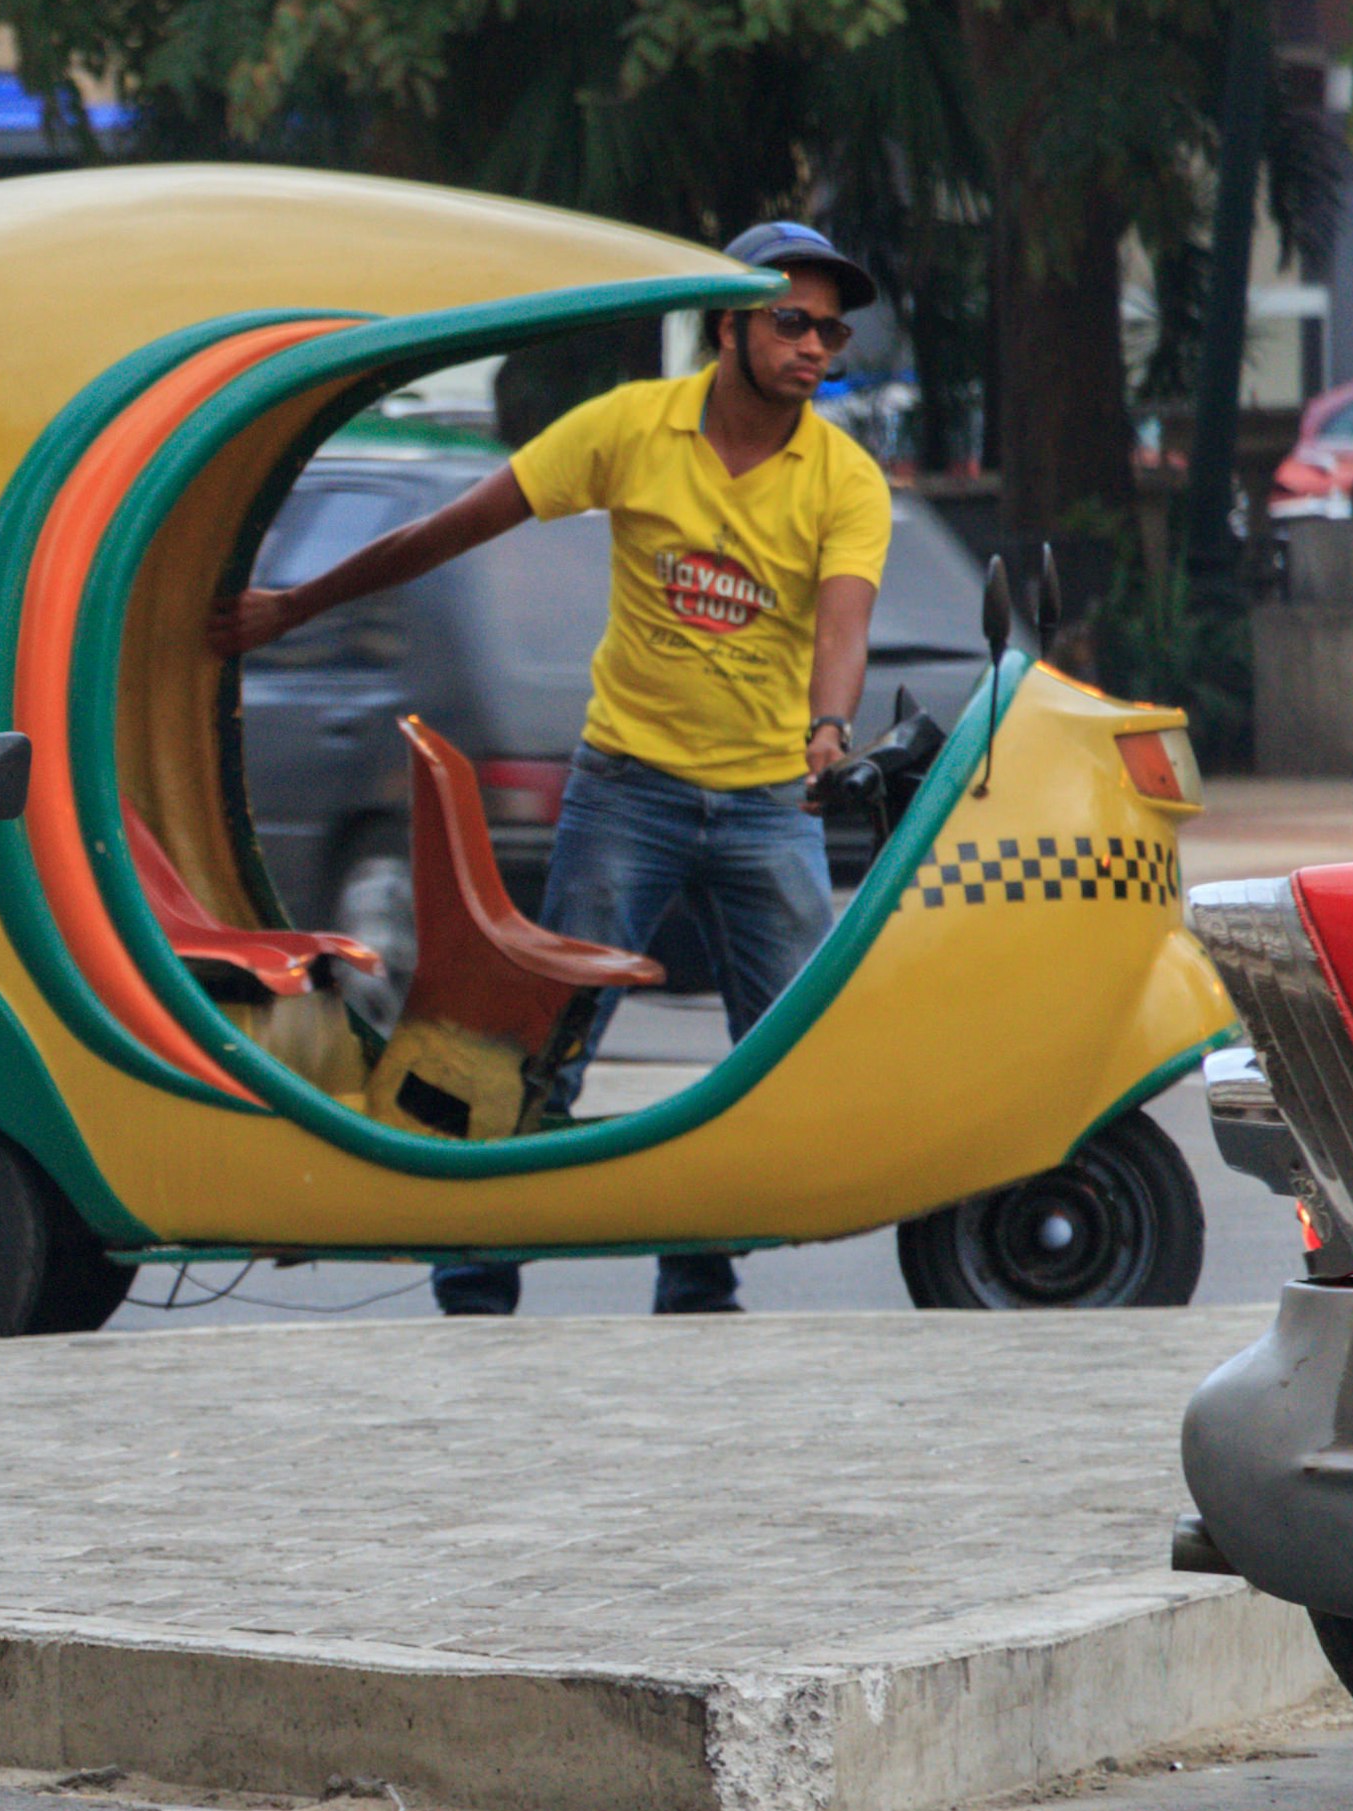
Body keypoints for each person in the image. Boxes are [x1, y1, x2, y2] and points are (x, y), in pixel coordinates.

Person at [210, 222, 891, 1316]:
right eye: (791, 321)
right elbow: (450, 529)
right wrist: (295, 606)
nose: (815, 345)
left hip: (768, 802)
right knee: (546, 1045)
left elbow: (844, 625)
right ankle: (475, 1262)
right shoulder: (632, 428)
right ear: (728, 328)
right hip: (630, 789)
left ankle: (698, 1267)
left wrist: (828, 729)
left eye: (832, 330)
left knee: (787, 1061)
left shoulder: (844, 477)